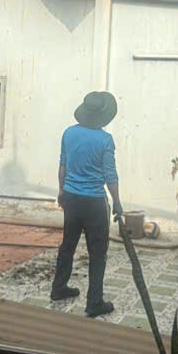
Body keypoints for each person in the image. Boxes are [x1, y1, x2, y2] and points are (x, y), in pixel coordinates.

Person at [50, 91, 123, 318]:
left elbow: (63, 167)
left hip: (71, 197)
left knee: (68, 245)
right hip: (94, 203)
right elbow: (110, 176)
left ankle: (58, 289)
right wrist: (117, 202)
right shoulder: (105, 140)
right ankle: (94, 303)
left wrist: (61, 191)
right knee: (97, 253)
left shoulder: (69, 133)